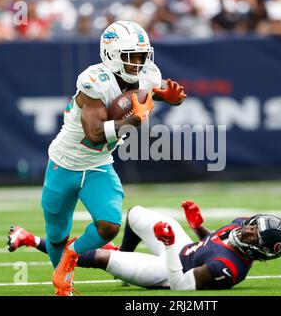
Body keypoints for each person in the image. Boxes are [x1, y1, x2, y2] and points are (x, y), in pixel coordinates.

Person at [39, 20, 186, 296]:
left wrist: (170, 98)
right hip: (64, 163)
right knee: (56, 233)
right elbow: (95, 133)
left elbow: (150, 92)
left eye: (143, 56)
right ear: (111, 54)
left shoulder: (147, 75)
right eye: (131, 57)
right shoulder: (94, 81)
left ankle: (73, 254)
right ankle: (64, 283)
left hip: (98, 165)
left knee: (109, 226)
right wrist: (133, 121)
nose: (138, 63)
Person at [7, 200, 281, 291]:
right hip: (182, 249)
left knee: (97, 256)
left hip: (167, 271)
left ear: (263, 250)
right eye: (254, 224)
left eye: (255, 234)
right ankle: (126, 257)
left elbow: (181, 285)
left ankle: (30, 239)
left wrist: (168, 245)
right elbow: (212, 241)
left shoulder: (228, 269)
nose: (248, 229)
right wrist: (197, 226)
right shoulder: (239, 226)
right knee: (136, 214)